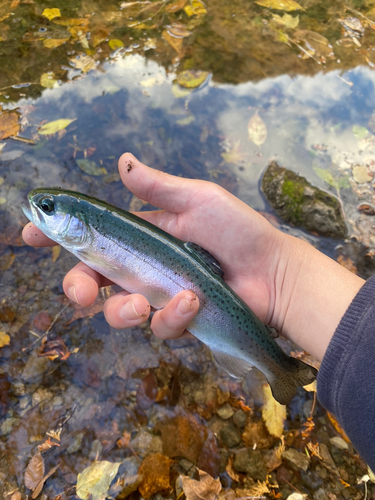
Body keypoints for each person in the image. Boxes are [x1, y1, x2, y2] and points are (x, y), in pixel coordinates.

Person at [22, 153, 375, 468]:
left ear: (82, 223)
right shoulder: (92, 236)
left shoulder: (97, 235)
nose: (40, 208)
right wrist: (284, 279)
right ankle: (277, 366)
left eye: (48, 208)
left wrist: (282, 275)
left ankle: (279, 368)